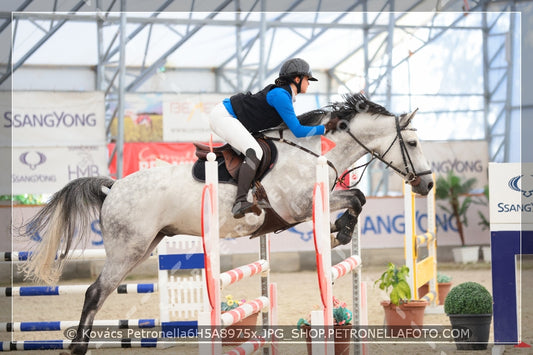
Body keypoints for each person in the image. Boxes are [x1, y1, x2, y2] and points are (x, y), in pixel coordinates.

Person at [209, 58, 338, 219]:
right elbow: (297, 130)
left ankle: (255, 191)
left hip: (232, 117)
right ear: (297, 79)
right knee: (254, 151)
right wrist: (324, 128)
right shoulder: (281, 96)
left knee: (261, 148)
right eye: (307, 79)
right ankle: (240, 201)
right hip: (223, 116)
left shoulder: (285, 95)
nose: (309, 83)